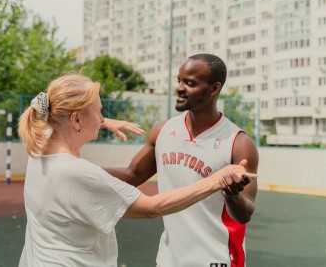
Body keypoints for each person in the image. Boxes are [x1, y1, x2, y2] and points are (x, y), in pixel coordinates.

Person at [17, 73, 256, 267]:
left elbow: (58, 117)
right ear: (76, 120)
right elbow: (152, 208)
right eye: (100, 112)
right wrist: (216, 180)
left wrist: (103, 122)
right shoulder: (77, 173)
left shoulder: (39, 150)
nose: (103, 118)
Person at [106, 53, 259, 267]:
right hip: (169, 258)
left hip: (216, 259)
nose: (179, 88)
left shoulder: (239, 143)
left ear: (214, 88)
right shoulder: (163, 130)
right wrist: (78, 169)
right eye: (179, 80)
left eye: (190, 83)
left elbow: (245, 214)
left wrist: (232, 194)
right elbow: (132, 174)